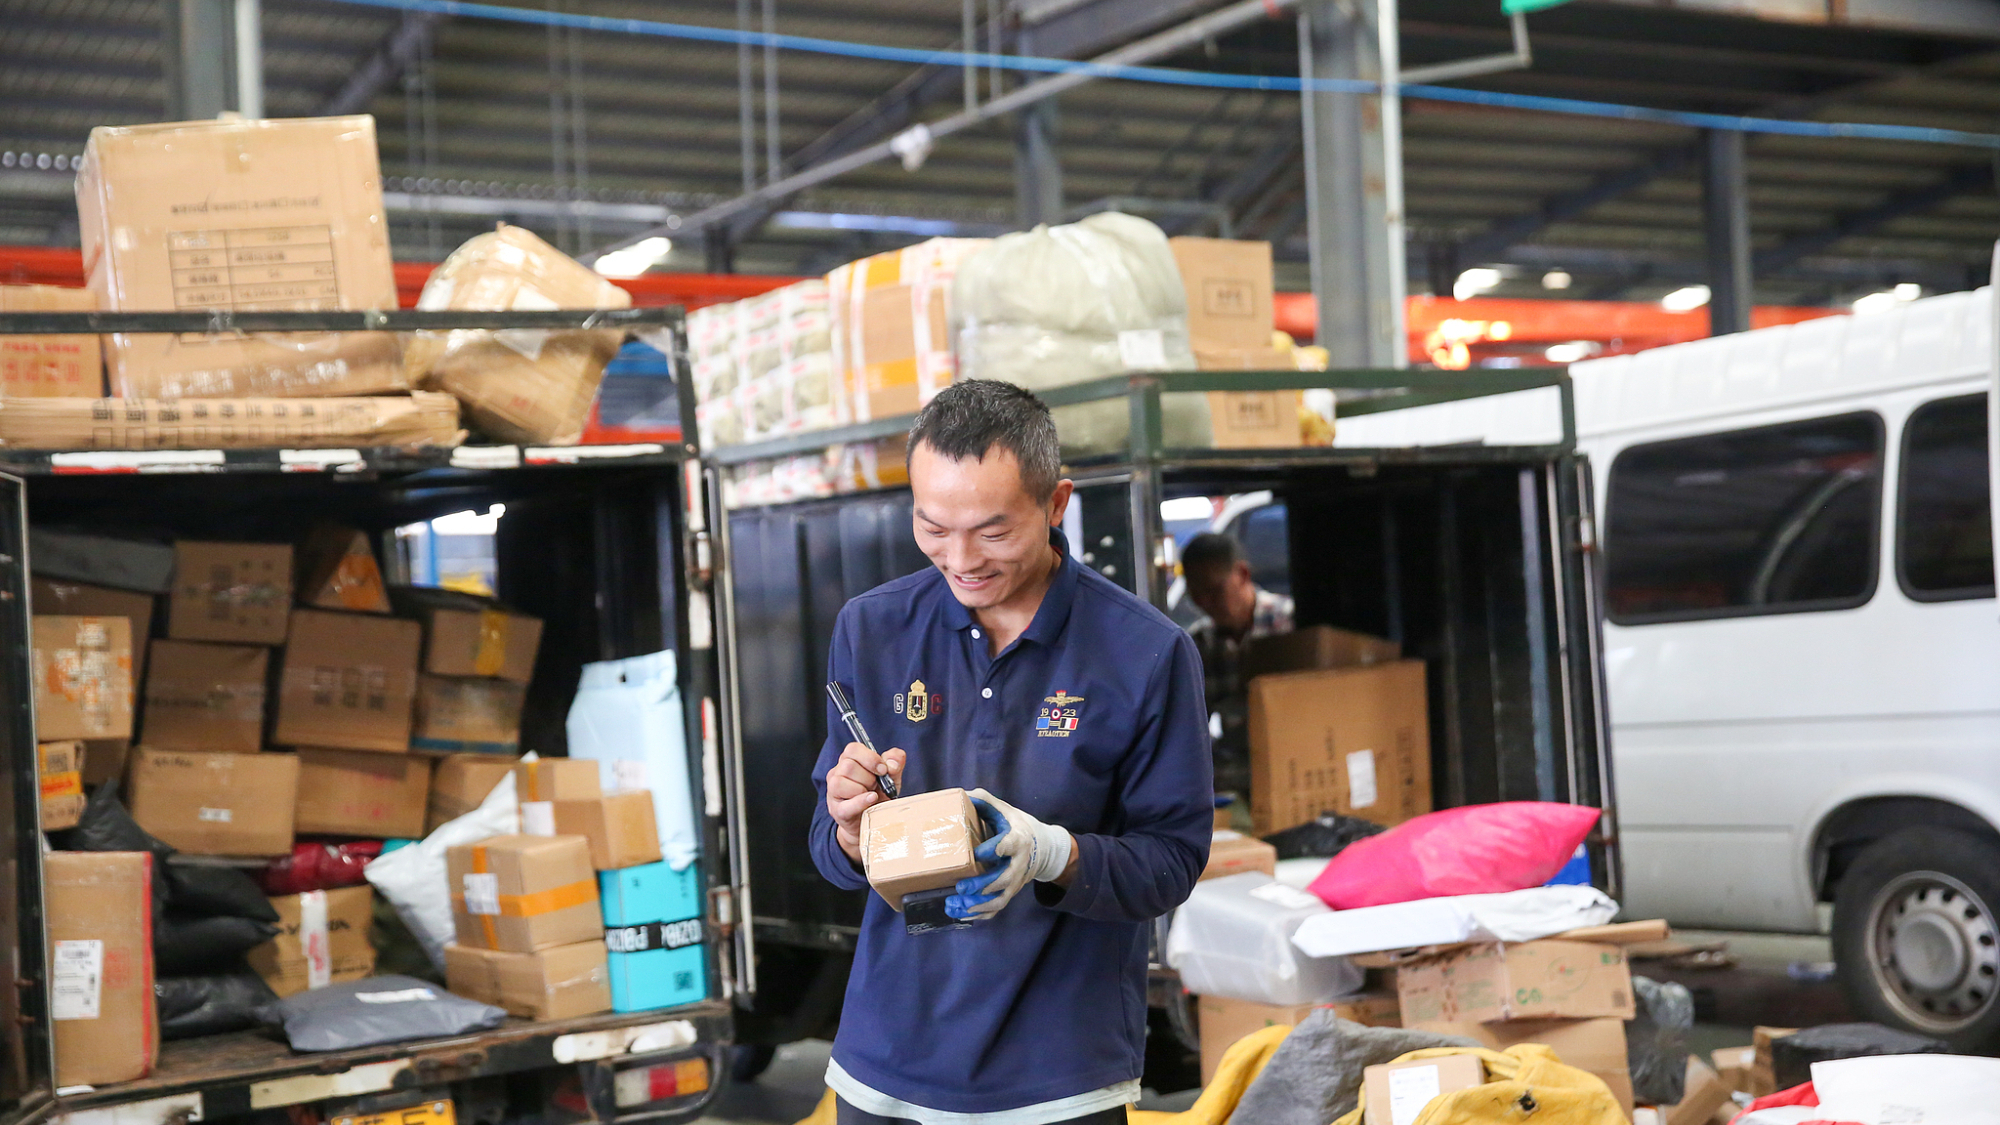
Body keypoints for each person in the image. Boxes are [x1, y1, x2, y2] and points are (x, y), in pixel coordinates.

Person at [810, 379, 1212, 1123]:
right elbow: (827, 849)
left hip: (1057, 1076)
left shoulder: (1145, 652)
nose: (961, 559)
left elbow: (1172, 862)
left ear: (1056, 504)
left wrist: (1051, 853)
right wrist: (849, 832)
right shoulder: (872, 629)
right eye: (933, 527)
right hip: (885, 1065)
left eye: (992, 532)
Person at [1180, 531, 1294, 798]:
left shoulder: (1289, 624)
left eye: (1214, 591)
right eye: (1196, 595)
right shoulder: (1200, 645)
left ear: (1242, 573)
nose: (1205, 603)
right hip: (1235, 779)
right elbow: (1188, 731)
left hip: (1291, 764)